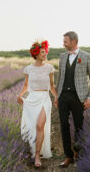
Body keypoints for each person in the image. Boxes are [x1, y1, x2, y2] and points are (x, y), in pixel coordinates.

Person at [54, 31, 90, 168]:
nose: (63, 44)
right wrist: (57, 96)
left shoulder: (86, 56)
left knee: (79, 126)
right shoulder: (62, 57)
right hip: (63, 97)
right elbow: (59, 77)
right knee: (64, 126)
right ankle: (68, 156)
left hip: (79, 97)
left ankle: (78, 153)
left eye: (65, 41)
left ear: (73, 41)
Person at [17, 40, 57, 168]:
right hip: (32, 98)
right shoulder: (28, 69)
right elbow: (26, 84)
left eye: (45, 51)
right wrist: (20, 95)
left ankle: (37, 155)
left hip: (45, 98)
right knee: (32, 127)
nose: (44, 54)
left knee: (40, 125)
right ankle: (32, 149)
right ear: (35, 54)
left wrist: (57, 97)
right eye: (42, 52)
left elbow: (51, 85)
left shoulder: (49, 68)